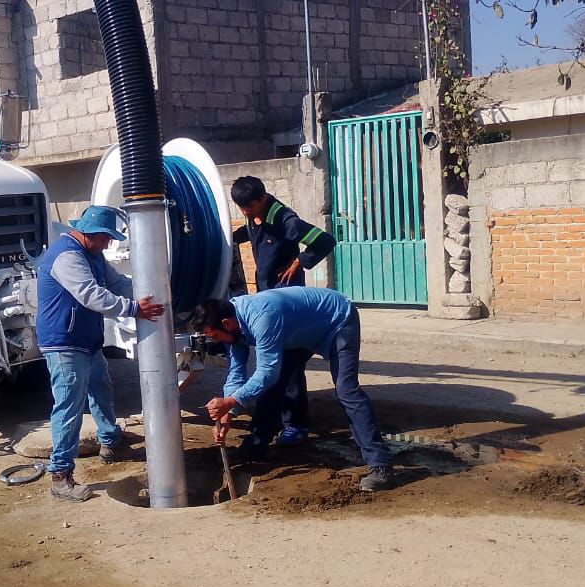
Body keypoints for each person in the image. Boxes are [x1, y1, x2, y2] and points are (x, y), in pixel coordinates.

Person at [187, 287, 395, 492]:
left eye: (214, 335)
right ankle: (255, 448)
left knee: (346, 390)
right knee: (270, 388)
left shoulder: (263, 317)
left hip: (336, 320)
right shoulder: (232, 325)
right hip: (297, 332)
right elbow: (236, 371)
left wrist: (232, 401)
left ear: (226, 323)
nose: (215, 341)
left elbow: (267, 371)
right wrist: (227, 414)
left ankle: (380, 465)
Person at [36, 205, 165, 502]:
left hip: (85, 339)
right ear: (90, 234)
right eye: (106, 238)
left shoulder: (92, 255)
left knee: (100, 389)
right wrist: (134, 309)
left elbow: (118, 282)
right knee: (69, 407)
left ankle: (110, 442)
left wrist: (155, 289)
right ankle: (60, 476)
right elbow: (91, 295)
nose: (109, 244)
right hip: (65, 343)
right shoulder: (67, 257)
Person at [229, 175, 337, 456]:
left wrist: (301, 261)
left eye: (249, 207)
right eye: (241, 208)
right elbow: (246, 234)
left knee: (288, 365)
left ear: (262, 199)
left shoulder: (285, 219)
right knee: (272, 365)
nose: (245, 213)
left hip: (288, 303)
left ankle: (296, 424)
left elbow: (324, 240)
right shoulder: (255, 218)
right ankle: (274, 418)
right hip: (267, 300)